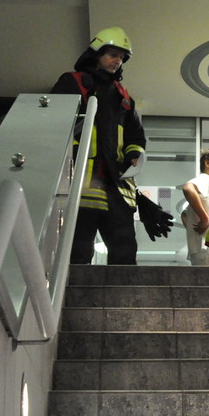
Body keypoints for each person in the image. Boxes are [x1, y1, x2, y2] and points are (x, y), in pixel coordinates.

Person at [51, 26, 146, 265]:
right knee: (78, 248)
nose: (118, 61)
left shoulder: (124, 96)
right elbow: (54, 124)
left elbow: (136, 135)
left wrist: (134, 155)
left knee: (124, 249)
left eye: (122, 57)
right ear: (96, 54)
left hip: (117, 183)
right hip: (80, 179)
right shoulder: (72, 83)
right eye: (112, 54)